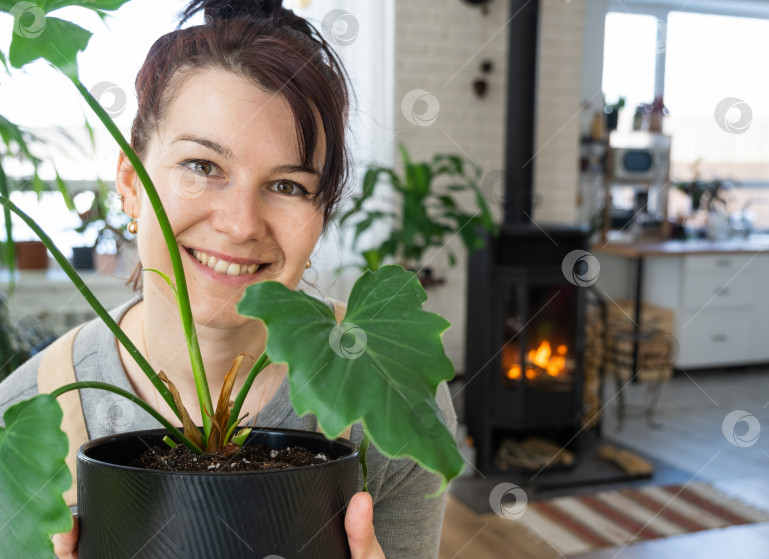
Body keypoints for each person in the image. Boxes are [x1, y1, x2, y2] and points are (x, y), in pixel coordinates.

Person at [0, 1, 456, 558]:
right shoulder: (19, 413)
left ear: (322, 217)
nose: (240, 225)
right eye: (202, 166)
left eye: (287, 185)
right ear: (130, 183)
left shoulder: (390, 383)